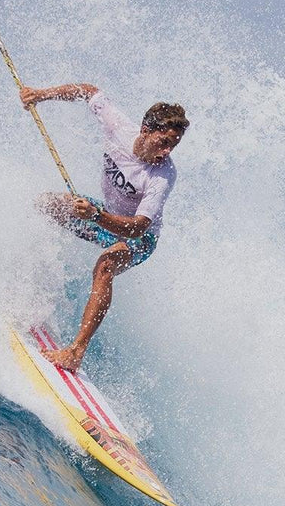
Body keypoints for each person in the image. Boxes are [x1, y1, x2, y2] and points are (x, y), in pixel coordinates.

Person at [17, 80, 188, 371]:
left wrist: (95, 216)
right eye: (164, 141)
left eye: (173, 145)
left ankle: (75, 352)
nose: (167, 151)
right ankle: (29, 288)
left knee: (105, 265)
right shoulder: (119, 126)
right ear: (146, 130)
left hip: (139, 238)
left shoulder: (162, 177)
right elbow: (88, 91)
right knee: (46, 204)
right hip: (104, 215)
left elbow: (137, 228)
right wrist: (40, 95)